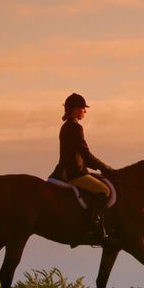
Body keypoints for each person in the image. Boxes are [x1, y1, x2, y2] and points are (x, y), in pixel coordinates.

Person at [50, 93, 116, 241]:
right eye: (83, 108)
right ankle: (95, 224)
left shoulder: (67, 126)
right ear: (75, 109)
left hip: (70, 170)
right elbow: (85, 154)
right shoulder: (74, 127)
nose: (85, 111)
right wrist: (105, 168)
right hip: (74, 173)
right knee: (104, 190)